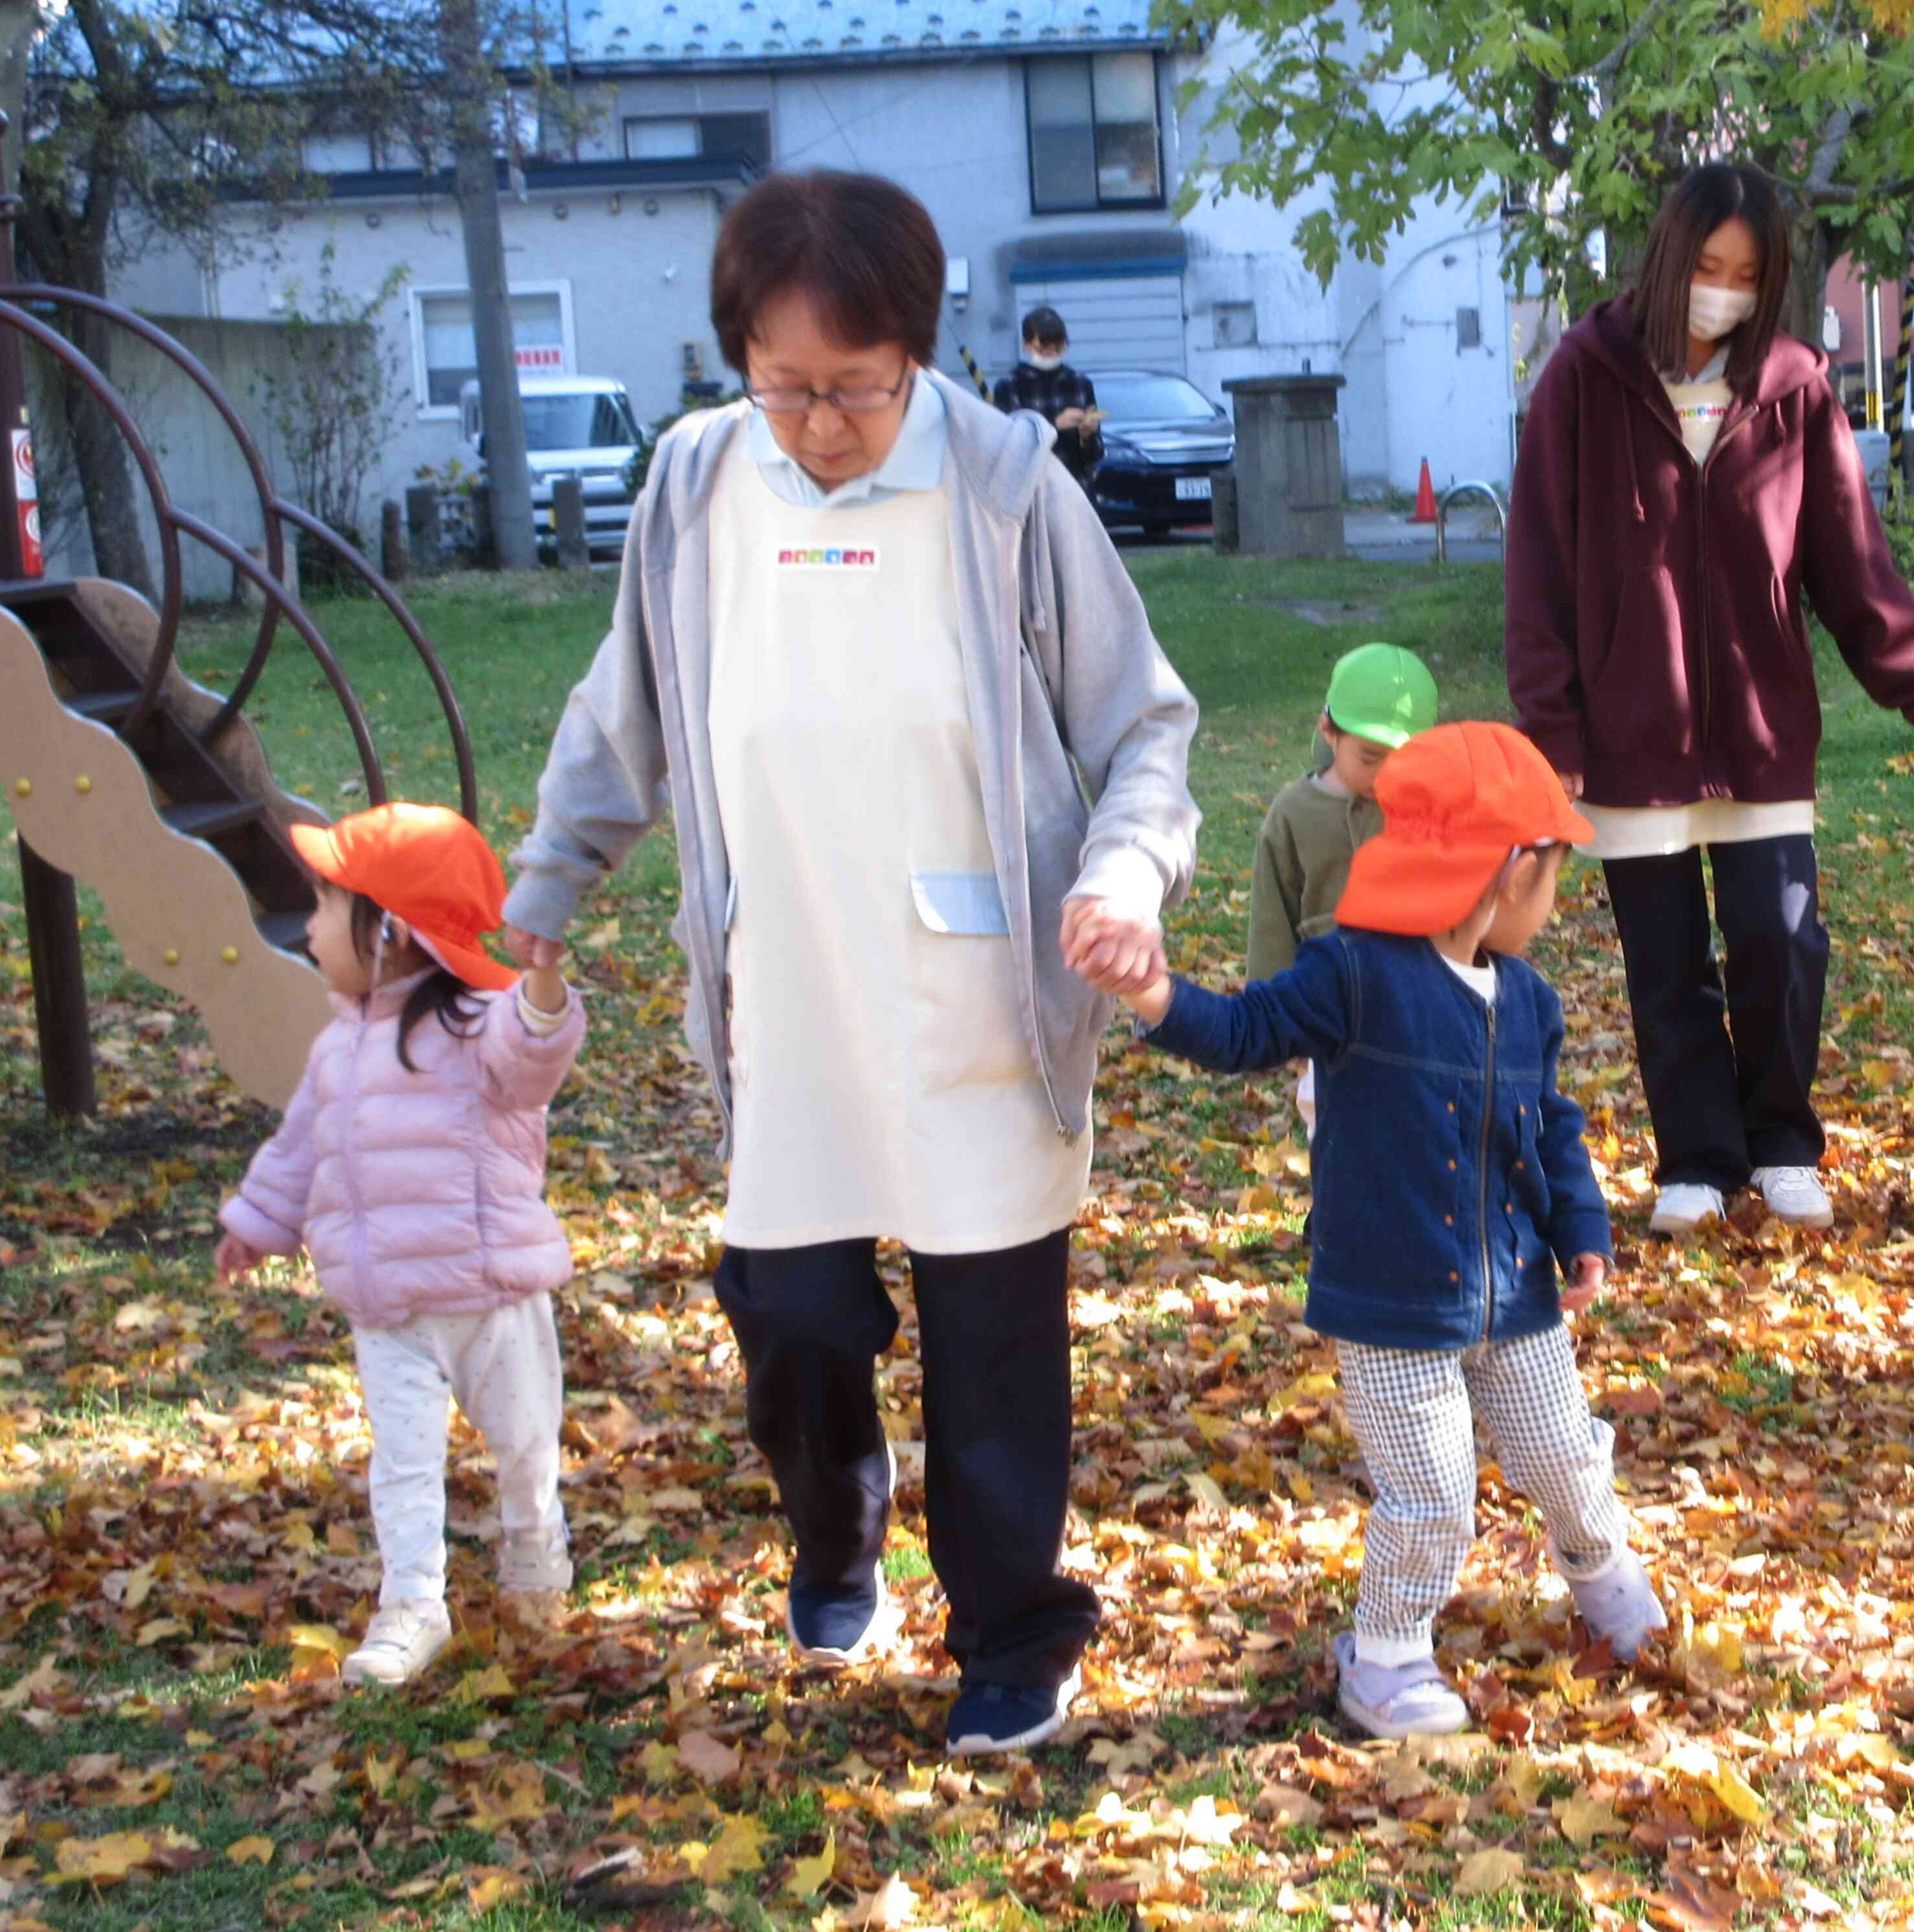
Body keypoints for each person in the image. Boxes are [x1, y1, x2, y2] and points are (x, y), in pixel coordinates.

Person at [500, 170, 1199, 1757]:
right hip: (785, 978)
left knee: (994, 1335)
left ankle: (1015, 1629)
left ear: (920, 349)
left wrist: (1123, 866)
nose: (821, 425)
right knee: (797, 1310)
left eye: (858, 389)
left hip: (980, 984)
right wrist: (554, 871)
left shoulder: (1008, 483)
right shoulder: (691, 486)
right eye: (787, 386)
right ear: (739, 354)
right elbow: (625, 714)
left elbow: (1143, 722)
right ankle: (835, 1533)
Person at [1088, 723, 1665, 1738]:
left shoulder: (1527, 998)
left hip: (1516, 1291)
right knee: (1433, 1489)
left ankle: (1602, 1573)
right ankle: (1388, 1655)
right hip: (1393, 1302)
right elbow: (1243, 1032)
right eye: (1554, 874)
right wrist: (1150, 991)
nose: (1556, 900)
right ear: (1508, 868)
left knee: (1566, 1453)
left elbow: (1553, 1124)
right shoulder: (1356, 973)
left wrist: (1583, 1228)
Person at [1504, 161, 1914, 1241]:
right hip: (1629, 737)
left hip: (1761, 733)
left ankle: (1779, 1142)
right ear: (1667, 260)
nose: (1719, 289)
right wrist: (1553, 729)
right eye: (1704, 267)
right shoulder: (1583, 376)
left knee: (1781, 943)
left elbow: (1851, 570)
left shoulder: (1792, 383)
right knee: (1663, 961)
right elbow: (1536, 567)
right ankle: (1694, 1156)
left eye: (1743, 273)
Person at [214, 803, 585, 1688]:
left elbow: (533, 1059)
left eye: (325, 905)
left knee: (527, 1441)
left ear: (392, 932)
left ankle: (535, 1548)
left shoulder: (477, 1025)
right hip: (389, 1311)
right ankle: (412, 1602)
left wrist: (538, 988)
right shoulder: (338, 1047)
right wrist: (255, 1223)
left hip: (492, 1296)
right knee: (405, 1461)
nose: (307, 926)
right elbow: (299, 1148)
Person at [1248, 642, 1440, 1129]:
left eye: (1403, 758)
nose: (1385, 775)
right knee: (1333, 1130)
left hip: (1417, 1011)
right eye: (1370, 757)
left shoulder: (1428, 808)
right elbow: (1272, 922)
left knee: (1418, 1127)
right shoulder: (1293, 814)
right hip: (1327, 1010)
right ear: (1329, 731)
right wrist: (1276, 1016)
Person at [991, 307, 1101, 486]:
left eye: (1059, 344)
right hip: (1030, 491)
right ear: (1026, 345)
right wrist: (1054, 425)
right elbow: (1007, 449)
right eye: (1044, 344)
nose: (1052, 350)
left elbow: (1094, 455)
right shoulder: (1009, 386)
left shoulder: (1081, 384)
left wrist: (1088, 436)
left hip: (1074, 488)